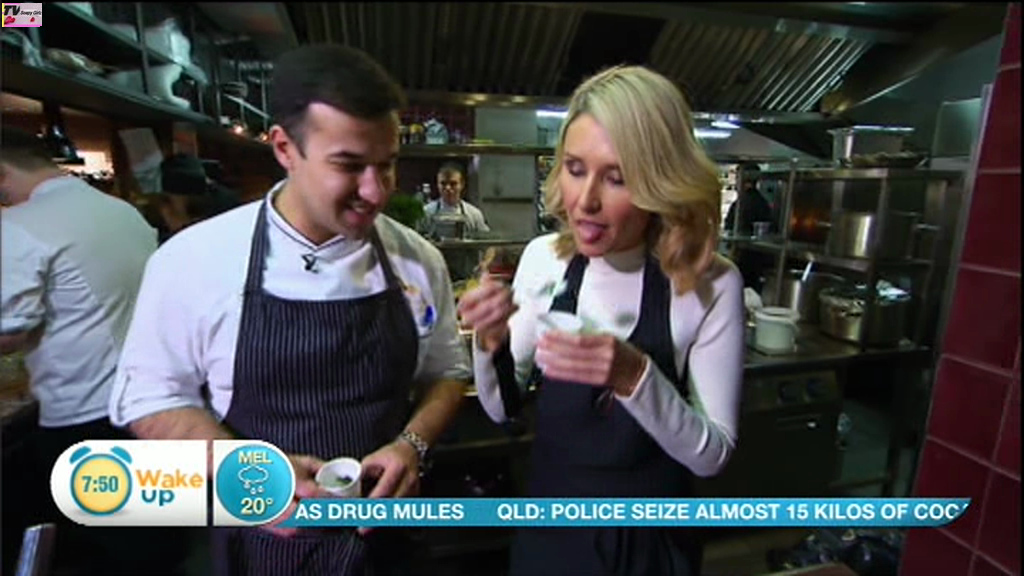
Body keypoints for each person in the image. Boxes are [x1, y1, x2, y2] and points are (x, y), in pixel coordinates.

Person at [108, 44, 471, 575]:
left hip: (388, 541)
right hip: (263, 544)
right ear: (284, 147)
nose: (375, 192)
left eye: (387, 165)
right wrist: (241, 466)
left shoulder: (416, 259)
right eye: (348, 166)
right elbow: (148, 397)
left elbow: (447, 371)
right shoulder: (195, 260)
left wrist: (411, 446)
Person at [458, 65, 744, 576]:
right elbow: (504, 409)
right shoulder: (544, 259)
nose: (585, 201)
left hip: (649, 543)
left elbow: (712, 456)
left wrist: (634, 376)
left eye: (617, 178)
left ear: (659, 181)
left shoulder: (710, 283)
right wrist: (489, 342)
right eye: (574, 169)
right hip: (551, 529)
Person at [0, 126, 163, 574]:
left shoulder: (19, 226)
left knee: (97, 552)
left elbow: (8, 331)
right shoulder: (121, 211)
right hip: (145, 405)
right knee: (148, 545)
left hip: (81, 413)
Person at [724, 162, 776, 292]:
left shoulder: (740, 204)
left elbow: (731, 232)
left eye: (737, 178)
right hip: (758, 265)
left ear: (744, 180)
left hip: (742, 263)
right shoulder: (763, 203)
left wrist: (731, 256)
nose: (736, 183)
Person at [423, 161, 490, 234]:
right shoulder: (426, 212)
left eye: (453, 184)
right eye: (443, 183)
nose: (448, 188)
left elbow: (485, 238)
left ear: (462, 184)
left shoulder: (474, 214)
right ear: (437, 184)